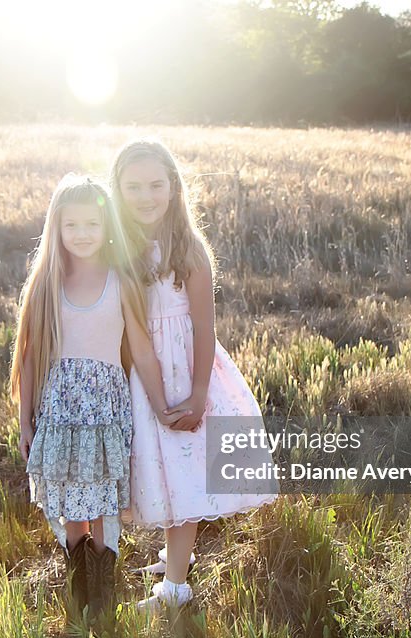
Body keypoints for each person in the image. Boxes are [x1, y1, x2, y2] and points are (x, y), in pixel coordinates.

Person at [109, 139, 279, 613]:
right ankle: (173, 556)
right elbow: (139, 337)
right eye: (134, 186)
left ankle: (176, 591)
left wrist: (198, 392)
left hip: (190, 371)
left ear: (174, 187)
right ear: (118, 190)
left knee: (183, 473)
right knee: (163, 469)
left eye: (156, 185)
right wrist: (156, 395)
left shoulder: (189, 251)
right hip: (149, 378)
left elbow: (205, 326)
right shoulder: (119, 253)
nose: (146, 196)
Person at [9, 173, 184, 621]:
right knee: (71, 501)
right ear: (57, 229)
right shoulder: (46, 283)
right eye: (72, 226)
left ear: (107, 226)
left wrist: (162, 403)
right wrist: (26, 422)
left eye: (92, 224)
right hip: (62, 411)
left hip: (106, 409)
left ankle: (103, 596)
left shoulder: (120, 280)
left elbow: (142, 348)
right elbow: (28, 358)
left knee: (104, 500)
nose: (82, 234)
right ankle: (78, 586)